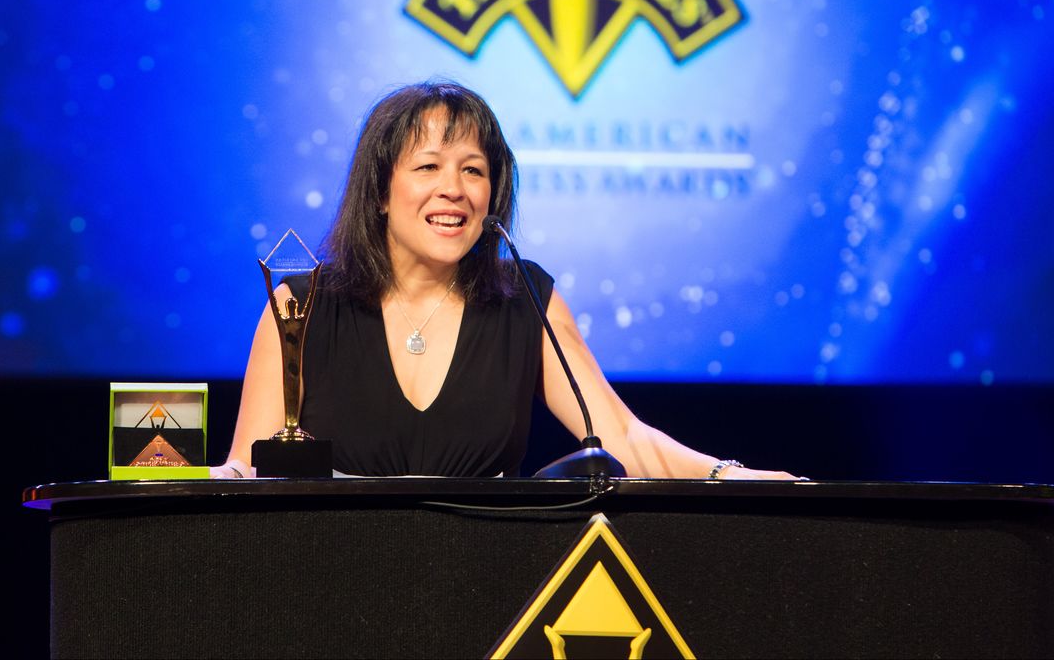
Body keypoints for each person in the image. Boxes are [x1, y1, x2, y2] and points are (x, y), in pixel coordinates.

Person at [212, 81, 797, 480]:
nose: (454, 189)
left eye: (474, 170)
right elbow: (246, 471)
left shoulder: (525, 298)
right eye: (428, 167)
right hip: (337, 588)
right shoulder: (303, 306)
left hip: (490, 591)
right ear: (380, 193)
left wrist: (733, 475)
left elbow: (622, 436)